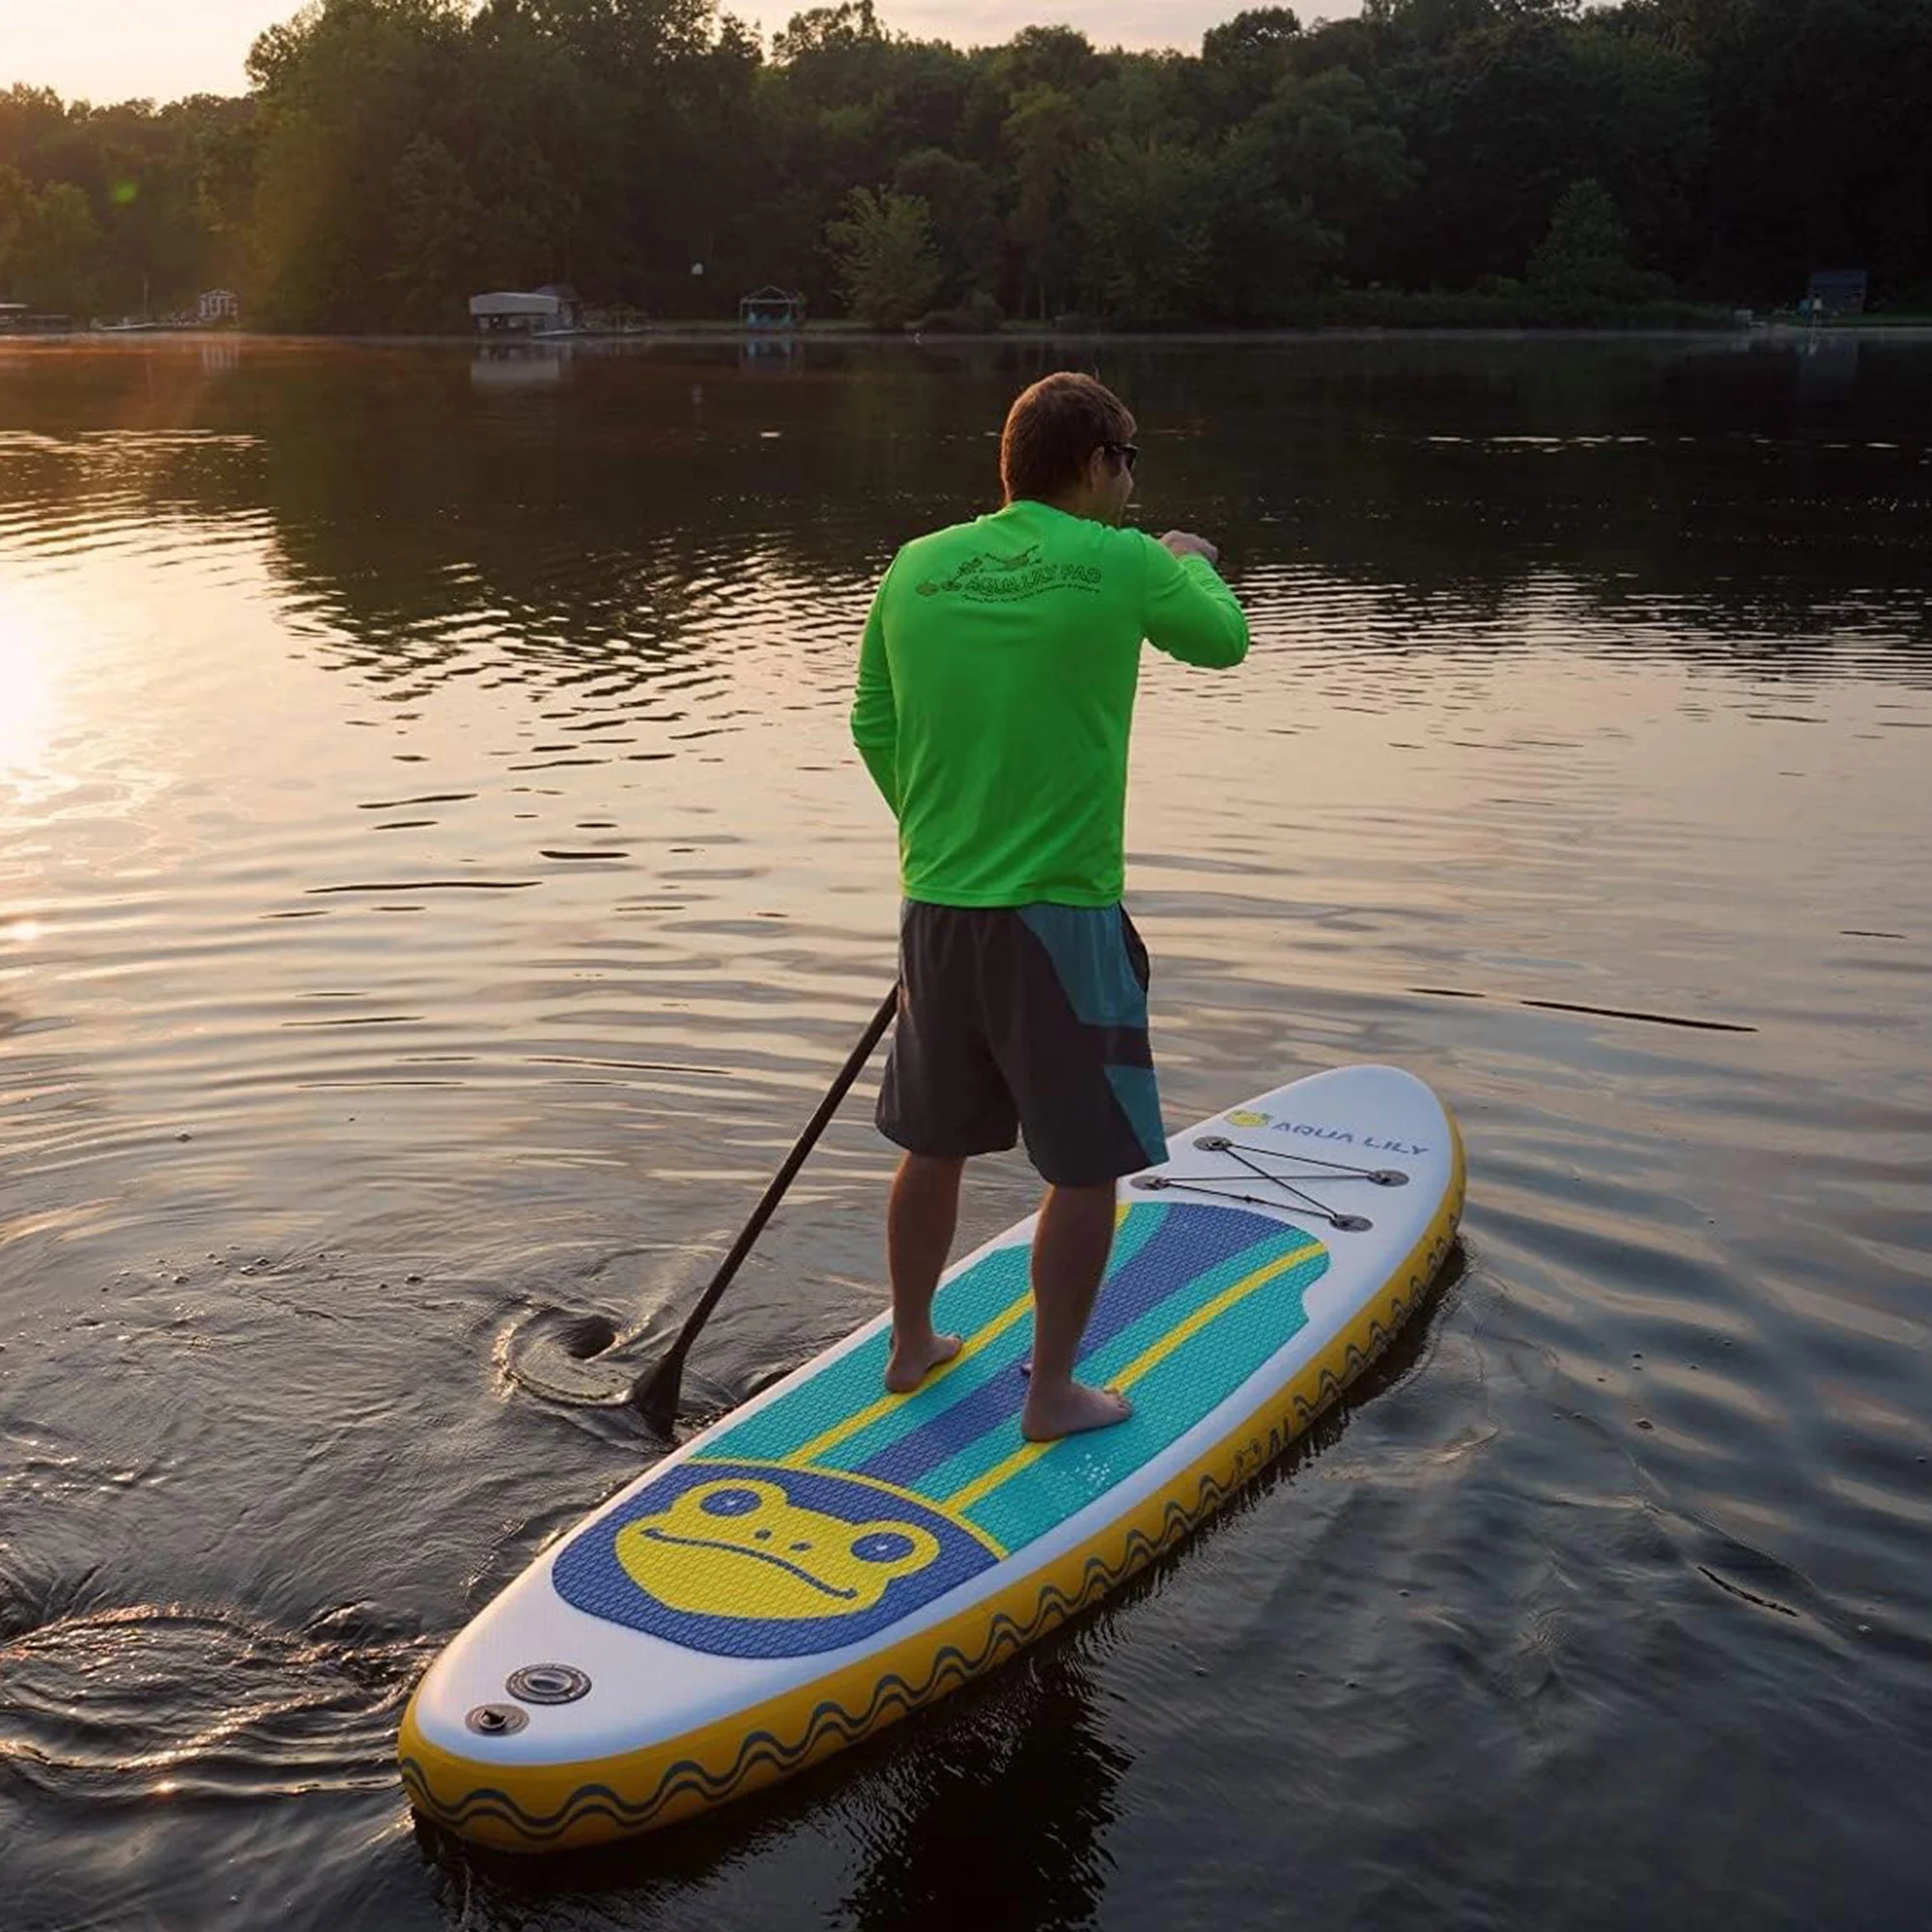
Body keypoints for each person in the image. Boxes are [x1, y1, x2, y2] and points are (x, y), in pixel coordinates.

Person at [849, 371, 1250, 1442]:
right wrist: (1188, 563)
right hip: (1061, 916)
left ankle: (908, 1342)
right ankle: (1049, 1395)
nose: (1130, 475)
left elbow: (870, 723)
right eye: (1128, 455)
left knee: (930, 1142)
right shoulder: (1121, 561)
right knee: (1083, 1165)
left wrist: (945, 834)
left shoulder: (916, 564)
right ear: (1094, 464)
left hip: (937, 907)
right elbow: (1222, 642)